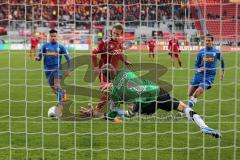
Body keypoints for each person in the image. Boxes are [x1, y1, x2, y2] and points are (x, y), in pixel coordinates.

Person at [80, 64, 221, 138]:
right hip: (155, 91)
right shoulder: (123, 71)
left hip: (144, 106)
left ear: (107, 79)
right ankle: (203, 126)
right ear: (115, 69)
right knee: (183, 108)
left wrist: (95, 112)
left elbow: (109, 116)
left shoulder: (114, 93)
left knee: (126, 112)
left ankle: (129, 111)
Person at [92, 23, 132, 113]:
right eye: (114, 33)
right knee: (108, 92)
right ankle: (98, 110)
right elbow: (93, 53)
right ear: (111, 32)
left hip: (115, 73)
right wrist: (96, 67)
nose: (116, 35)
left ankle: (108, 110)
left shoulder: (119, 43)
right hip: (105, 73)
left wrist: (125, 61)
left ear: (121, 34)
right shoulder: (105, 43)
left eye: (118, 34)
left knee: (115, 92)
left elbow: (119, 53)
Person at [35, 29, 71, 116]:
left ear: (57, 37)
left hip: (57, 70)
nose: (53, 37)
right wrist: (37, 58)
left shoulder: (61, 47)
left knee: (57, 86)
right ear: (49, 37)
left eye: (55, 36)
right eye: (52, 36)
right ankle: (63, 94)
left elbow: (68, 58)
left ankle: (59, 108)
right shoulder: (45, 46)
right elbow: (40, 56)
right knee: (54, 89)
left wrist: (69, 69)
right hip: (47, 71)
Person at [188, 34, 225, 108]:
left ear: (212, 41)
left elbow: (222, 62)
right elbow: (196, 65)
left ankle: (188, 109)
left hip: (209, 77)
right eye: (206, 40)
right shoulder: (201, 52)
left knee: (197, 92)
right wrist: (198, 69)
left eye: (209, 40)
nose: (207, 42)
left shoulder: (216, 52)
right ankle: (193, 100)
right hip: (198, 76)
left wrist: (222, 73)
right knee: (189, 94)